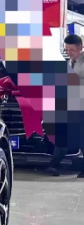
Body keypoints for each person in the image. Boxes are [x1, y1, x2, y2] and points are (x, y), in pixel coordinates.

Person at [47, 34, 84, 177]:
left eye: (72, 50)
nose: (69, 52)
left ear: (80, 47)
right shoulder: (68, 62)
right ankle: (54, 165)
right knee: (61, 136)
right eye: (66, 50)